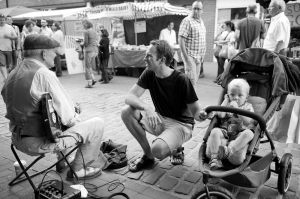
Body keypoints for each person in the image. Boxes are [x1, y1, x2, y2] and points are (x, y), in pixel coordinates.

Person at [1, 34, 109, 179]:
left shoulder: (12, 73)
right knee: (95, 124)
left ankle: (64, 161)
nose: (56, 56)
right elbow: (68, 117)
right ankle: (77, 170)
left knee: (60, 120)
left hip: (17, 138)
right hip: (37, 142)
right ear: (44, 53)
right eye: (53, 52)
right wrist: (76, 114)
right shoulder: (44, 74)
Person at [121, 40, 207, 172]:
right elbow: (129, 97)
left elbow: (195, 111)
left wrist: (201, 115)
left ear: (162, 59)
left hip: (181, 125)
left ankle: (175, 148)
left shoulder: (181, 79)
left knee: (158, 149)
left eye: (149, 56)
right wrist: (147, 108)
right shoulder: (149, 73)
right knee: (126, 112)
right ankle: (148, 157)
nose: (145, 58)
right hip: (160, 119)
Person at [205, 78, 255, 170]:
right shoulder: (227, 103)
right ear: (228, 95)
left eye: (240, 95)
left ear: (246, 97)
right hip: (225, 131)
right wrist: (225, 101)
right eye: (232, 94)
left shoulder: (248, 106)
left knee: (250, 133)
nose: (236, 97)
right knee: (215, 131)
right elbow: (220, 115)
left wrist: (238, 110)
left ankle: (229, 150)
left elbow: (248, 121)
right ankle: (214, 158)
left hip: (240, 134)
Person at [179, 0, 206, 86]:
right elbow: (181, 39)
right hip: (190, 56)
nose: (196, 11)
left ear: (202, 11)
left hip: (199, 57)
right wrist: (187, 59)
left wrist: (202, 56)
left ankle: (184, 97)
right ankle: (189, 99)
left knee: (194, 82)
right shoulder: (187, 21)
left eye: (198, 9)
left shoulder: (201, 21)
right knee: (191, 82)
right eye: (194, 8)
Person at [0, 14, 18, 81]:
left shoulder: (9, 27)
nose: (1, 21)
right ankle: (6, 78)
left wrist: (9, 37)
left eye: (3, 20)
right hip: (0, 50)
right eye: (0, 20)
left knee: (9, 66)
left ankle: (8, 76)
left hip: (9, 49)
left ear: (5, 20)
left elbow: (16, 37)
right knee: (2, 65)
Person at [82, 19, 98, 88]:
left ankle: (89, 83)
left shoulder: (86, 32)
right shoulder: (94, 31)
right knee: (90, 66)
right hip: (95, 50)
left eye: (83, 24)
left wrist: (81, 43)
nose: (83, 26)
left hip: (89, 50)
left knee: (87, 67)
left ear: (86, 24)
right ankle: (93, 79)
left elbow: (86, 43)